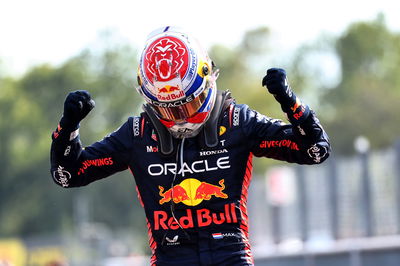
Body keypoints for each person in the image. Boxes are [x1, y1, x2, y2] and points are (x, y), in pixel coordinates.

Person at [50, 26, 330, 266]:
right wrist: (68, 128)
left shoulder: (237, 121)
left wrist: (291, 104)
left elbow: (315, 149)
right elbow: (68, 174)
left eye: (188, 104)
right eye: (170, 110)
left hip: (230, 257)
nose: (182, 117)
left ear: (207, 81)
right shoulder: (137, 134)